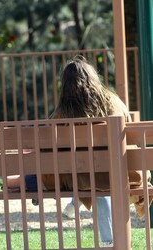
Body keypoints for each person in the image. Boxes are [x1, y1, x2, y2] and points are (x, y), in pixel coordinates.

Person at [42, 55, 132, 247]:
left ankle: (108, 241)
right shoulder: (113, 102)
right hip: (119, 171)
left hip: (81, 177)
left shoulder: (62, 113)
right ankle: (111, 241)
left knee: (89, 177)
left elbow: (50, 146)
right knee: (98, 176)